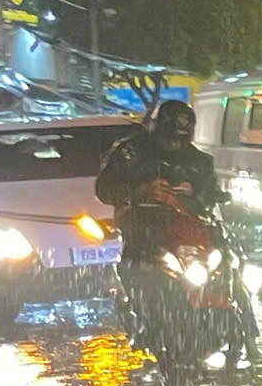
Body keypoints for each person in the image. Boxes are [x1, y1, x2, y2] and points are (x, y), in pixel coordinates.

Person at [94, 100, 222, 308]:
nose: (175, 144)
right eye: (170, 137)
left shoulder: (200, 161)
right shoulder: (131, 153)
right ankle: (142, 314)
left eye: (182, 137)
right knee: (139, 270)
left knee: (227, 259)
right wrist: (142, 192)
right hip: (145, 230)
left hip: (191, 234)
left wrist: (194, 192)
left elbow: (212, 195)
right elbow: (105, 190)